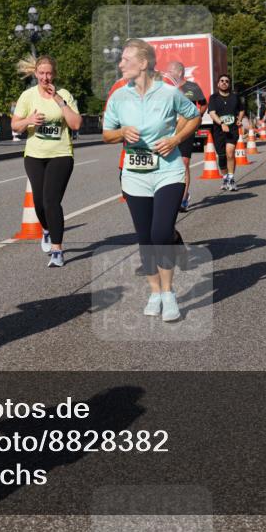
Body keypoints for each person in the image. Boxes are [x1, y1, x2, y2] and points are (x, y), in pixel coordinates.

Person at [103, 39, 200, 322]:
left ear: (143, 63)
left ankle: (169, 294)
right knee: (145, 239)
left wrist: (176, 139)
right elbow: (106, 134)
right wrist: (122, 133)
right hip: (135, 175)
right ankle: (154, 292)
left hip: (168, 171)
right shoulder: (119, 98)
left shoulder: (169, 93)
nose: (120, 64)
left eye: (125, 59)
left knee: (160, 234)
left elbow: (193, 116)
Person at [10, 54, 82, 267]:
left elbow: (76, 124)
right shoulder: (28, 96)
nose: (45, 77)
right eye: (41, 73)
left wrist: (59, 101)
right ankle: (47, 230)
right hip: (34, 155)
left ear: (54, 74)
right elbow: (15, 125)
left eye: (49, 73)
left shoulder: (64, 94)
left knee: (51, 201)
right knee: (39, 203)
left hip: (60, 154)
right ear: (35, 74)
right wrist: (29, 120)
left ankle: (57, 250)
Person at [166, 60, 207, 211]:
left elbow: (203, 104)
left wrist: (197, 117)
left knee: (184, 163)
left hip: (186, 130)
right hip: (168, 129)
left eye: (170, 71)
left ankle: (183, 198)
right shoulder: (166, 87)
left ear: (179, 72)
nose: (168, 74)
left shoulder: (192, 87)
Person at [207, 73, 246, 191]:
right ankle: (225, 177)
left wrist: (239, 120)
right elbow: (212, 113)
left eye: (227, 81)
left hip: (232, 129)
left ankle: (231, 179)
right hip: (218, 130)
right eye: (222, 81)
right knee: (222, 156)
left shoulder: (235, 97)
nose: (224, 83)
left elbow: (242, 110)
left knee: (230, 152)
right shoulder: (213, 98)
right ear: (218, 84)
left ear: (229, 84)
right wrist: (221, 123)